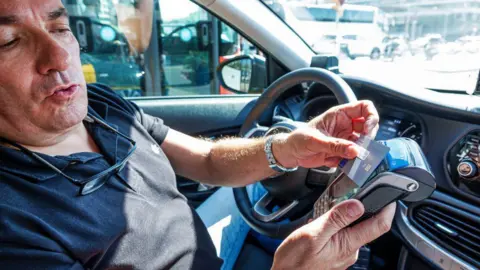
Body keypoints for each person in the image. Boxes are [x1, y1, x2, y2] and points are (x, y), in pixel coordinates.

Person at [0, 0, 396, 269]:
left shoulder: (102, 106)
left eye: (60, 27)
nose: (59, 57)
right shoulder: (12, 227)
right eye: (9, 41)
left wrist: (289, 147)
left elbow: (207, 160)